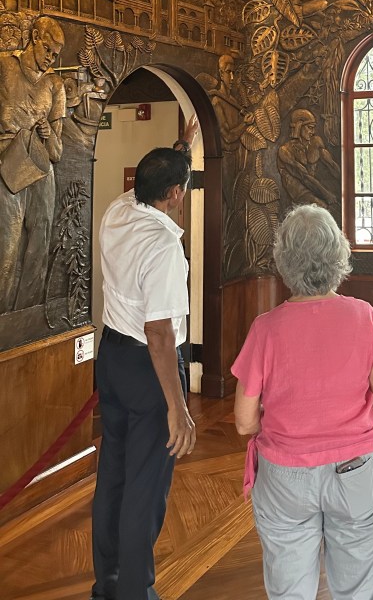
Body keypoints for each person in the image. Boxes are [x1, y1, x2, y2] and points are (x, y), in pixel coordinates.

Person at [233, 204, 373, 600]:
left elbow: (243, 422)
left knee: (289, 591)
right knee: (358, 588)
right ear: (339, 253)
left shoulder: (265, 329)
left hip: (286, 474)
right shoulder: (364, 316)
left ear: (284, 261)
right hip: (359, 470)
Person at [91, 117, 199, 600]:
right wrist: (178, 407)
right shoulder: (164, 246)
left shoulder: (117, 211)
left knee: (113, 474)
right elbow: (159, 333)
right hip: (148, 368)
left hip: (111, 358)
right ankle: (136, 591)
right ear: (175, 194)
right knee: (145, 485)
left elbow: (158, 177)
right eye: (182, 188)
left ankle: (108, 583)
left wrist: (182, 146)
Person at [0, 15, 66, 312]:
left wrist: (47, 132)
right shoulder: (5, 67)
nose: (50, 58)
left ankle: (28, 314)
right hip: (7, 165)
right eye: (47, 50)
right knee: (7, 243)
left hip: (40, 169)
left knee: (40, 240)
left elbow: (57, 152)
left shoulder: (55, 85)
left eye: (55, 55)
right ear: (35, 37)